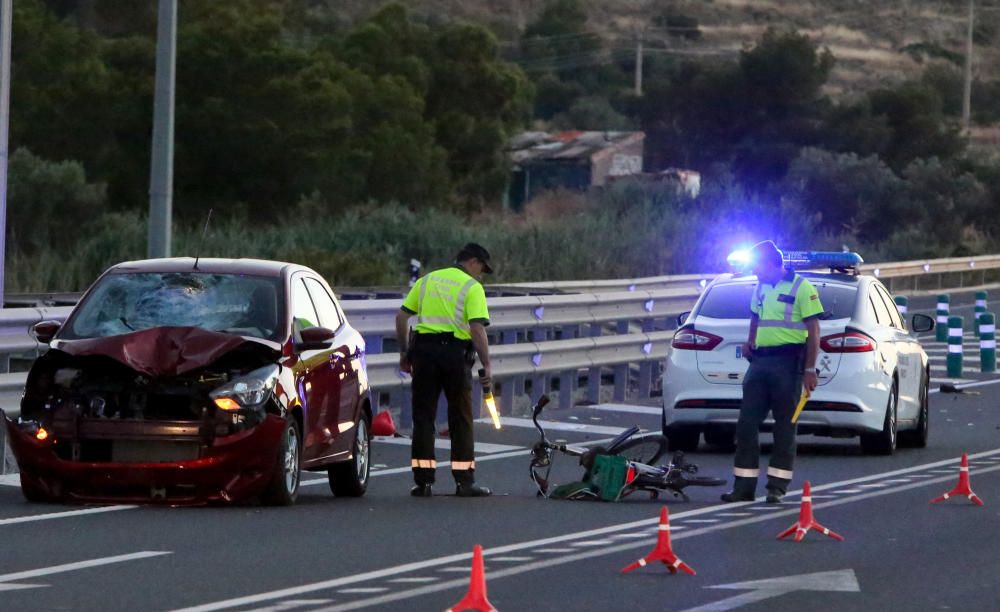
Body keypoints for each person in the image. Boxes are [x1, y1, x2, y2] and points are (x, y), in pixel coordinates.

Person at [721, 240, 824, 504]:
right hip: (760, 363)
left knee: (785, 426)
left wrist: (810, 369)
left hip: (788, 363)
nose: (755, 273)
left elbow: (814, 331)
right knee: (746, 424)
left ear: (772, 264)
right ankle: (743, 487)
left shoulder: (803, 288)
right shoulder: (760, 286)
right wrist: (749, 340)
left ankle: (776, 487)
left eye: (758, 268)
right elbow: (756, 316)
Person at [395, 243, 494, 497]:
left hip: (424, 354)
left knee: (424, 417)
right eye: (481, 268)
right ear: (472, 262)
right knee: (460, 418)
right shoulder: (472, 288)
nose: (480, 274)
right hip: (454, 355)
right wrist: (487, 364)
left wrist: (405, 352)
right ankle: (464, 482)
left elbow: (402, 317)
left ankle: (423, 481)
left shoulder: (427, 280)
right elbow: (477, 329)